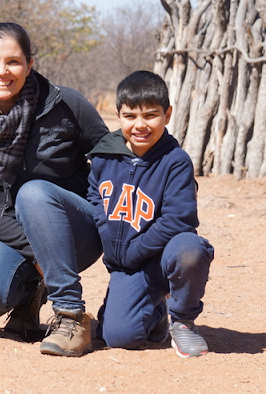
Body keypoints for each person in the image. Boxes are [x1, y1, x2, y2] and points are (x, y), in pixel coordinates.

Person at [0, 22, 109, 357]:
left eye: (13, 62)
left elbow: (113, 158)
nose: (2, 71)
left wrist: (167, 168)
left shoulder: (65, 105)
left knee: (34, 192)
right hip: (8, 230)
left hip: (72, 230)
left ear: (29, 65)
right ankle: (31, 293)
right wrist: (37, 253)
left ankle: (71, 315)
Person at [87, 70, 214, 358]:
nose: (140, 125)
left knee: (190, 249)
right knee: (118, 336)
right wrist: (107, 236)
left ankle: (182, 321)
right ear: (118, 115)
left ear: (167, 115)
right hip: (129, 266)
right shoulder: (105, 158)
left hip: (159, 257)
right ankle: (156, 312)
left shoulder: (175, 161)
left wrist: (133, 251)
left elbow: (180, 218)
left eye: (150, 115)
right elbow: (95, 197)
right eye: (130, 116)